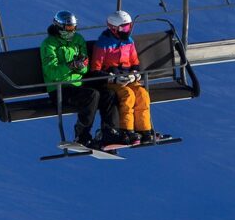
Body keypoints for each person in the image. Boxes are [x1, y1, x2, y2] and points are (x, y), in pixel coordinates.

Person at [91, 10, 155, 145]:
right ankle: (127, 130)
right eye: (124, 27)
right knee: (128, 95)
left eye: (129, 26)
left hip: (128, 78)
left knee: (142, 94)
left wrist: (134, 74)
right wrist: (112, 78)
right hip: (112, 81)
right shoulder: (103, 44)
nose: (127, 30)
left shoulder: (129, 42)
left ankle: (145, 130)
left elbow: (135, 62)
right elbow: (95, 70)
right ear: (114, 28)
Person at [39, 10, 100, 148]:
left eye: (73, 27)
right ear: (59, 27)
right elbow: (51, 72)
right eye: (68, 28)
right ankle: (82, 134)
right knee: (92, 96)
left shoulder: (78, 39)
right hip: (59, 89)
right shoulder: (49, 44)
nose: (71, 31)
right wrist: (70, 66)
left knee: (109, 94)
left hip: (77, 85)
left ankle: (110, 132)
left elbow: (85, 67)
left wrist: (80, 65)